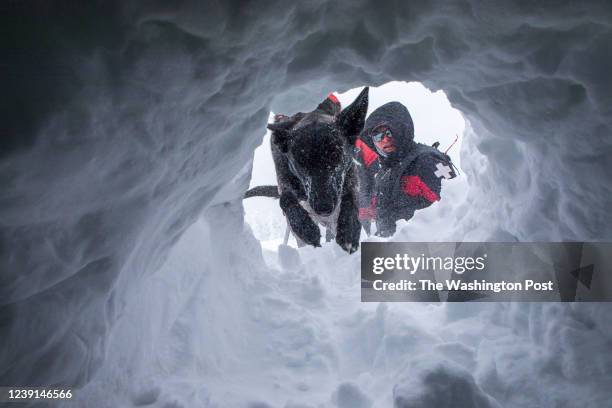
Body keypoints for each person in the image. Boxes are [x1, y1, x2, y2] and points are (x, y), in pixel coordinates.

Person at [354, 102, 457, 237]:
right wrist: (369, 209)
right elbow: (386, 207)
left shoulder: (426, 161)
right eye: (377, 136)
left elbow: (452, 208)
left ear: (401, 129)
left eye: (388, 132)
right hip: (389, 251)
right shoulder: (385, 171)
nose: (384, 139)